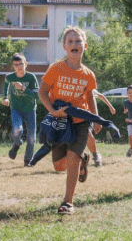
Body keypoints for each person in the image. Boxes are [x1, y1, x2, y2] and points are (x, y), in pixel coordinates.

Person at [38, 26, 99, 215]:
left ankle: (68, 202)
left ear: (85, 46)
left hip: (80, 121)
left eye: (78, 41)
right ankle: (83, 161)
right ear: (64, 46)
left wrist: (96, 118)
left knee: (72, 159)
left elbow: (90, 97)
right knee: (59, 166)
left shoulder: (88, 74)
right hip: (59, 122)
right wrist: (53, 112)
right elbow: (43, 92)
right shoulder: (56, 68)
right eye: (70, 41)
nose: (74, 44)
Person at [2, 53, 39, 166]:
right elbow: (6, 84)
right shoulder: (10, 77)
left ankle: (27, 161)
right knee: (17, 130)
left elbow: (37, 96)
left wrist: (23, 88)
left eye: (21, 64)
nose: (18, 67)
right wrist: (5, 97)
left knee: (32, 137)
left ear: (25, 64)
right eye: (15, 65)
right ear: (13, 66)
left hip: (30, 109)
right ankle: (17, 144)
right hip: (16, 108)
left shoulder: (31, 77)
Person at [85, 89, 116, 166]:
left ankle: (95, 155)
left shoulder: (89, 87)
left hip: (88, 116)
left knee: (87, 133)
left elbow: (101, 96)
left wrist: (110, 106)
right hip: (74, 115)